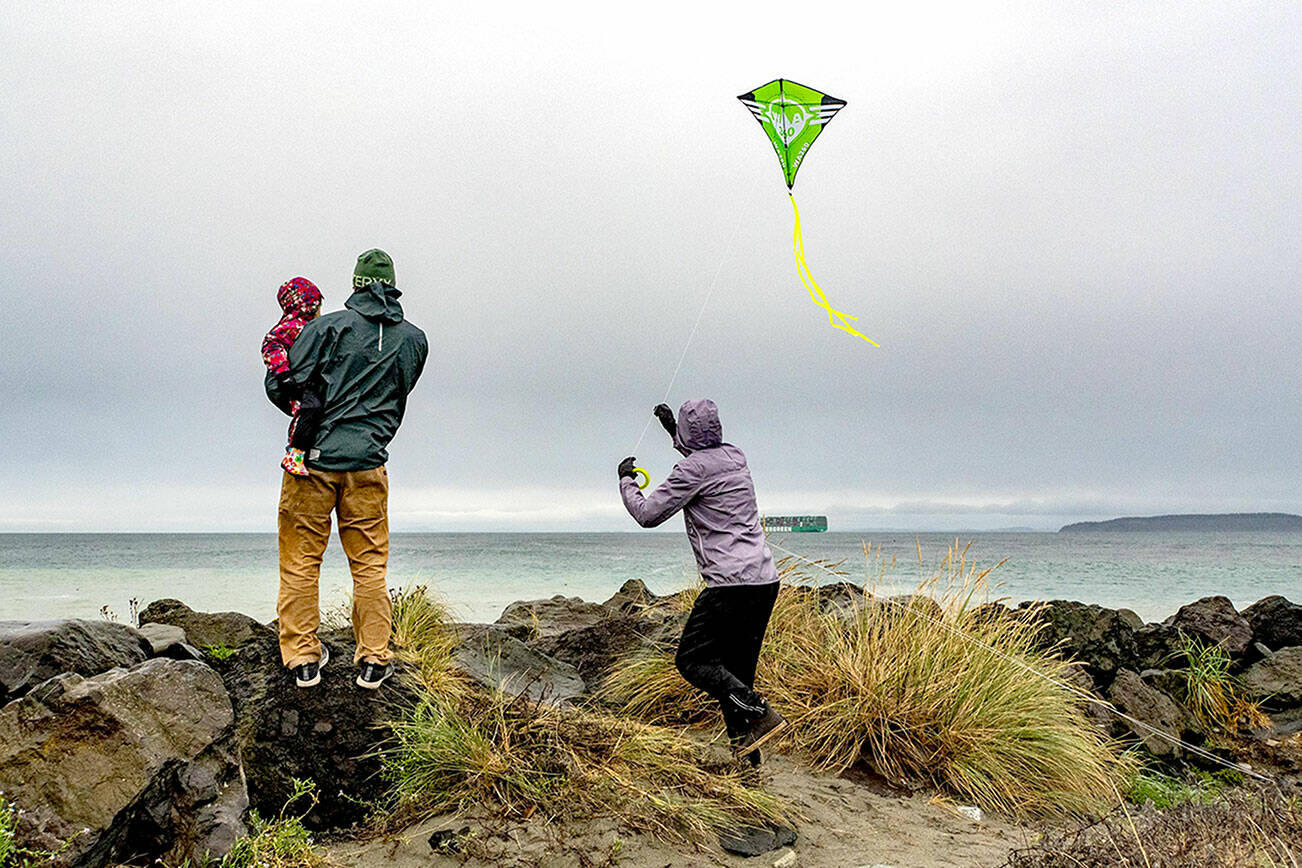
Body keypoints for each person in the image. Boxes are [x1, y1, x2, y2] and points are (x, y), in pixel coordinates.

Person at [265, 249, 428, 690]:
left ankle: (303, 659)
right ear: (392, 286)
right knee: (370, 565)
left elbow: (279, 382)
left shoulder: (326, 328)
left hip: (312, 464)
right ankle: (374, 658)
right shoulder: (415, 340)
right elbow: (399, 393)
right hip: (369, 466)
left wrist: (304, 414)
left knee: (301, 562)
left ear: (355, 284)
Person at [618, 399, 787, 764]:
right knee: (734, 677)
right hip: (764, 582)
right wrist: (671, 431)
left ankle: (760, 713)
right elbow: (703, 452)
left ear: (688, 433)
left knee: (692, 661)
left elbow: (648, 515)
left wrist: (626, 481)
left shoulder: (691, 471)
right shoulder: (735, 456)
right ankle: (747, 766)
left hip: (729, 586)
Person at [261, 277, 326, 477]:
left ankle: (297, 453)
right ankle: (295, 454)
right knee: (307, 410)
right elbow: (271, 345)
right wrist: (284, 374)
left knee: (309, 411)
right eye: (317, 306)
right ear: (308, 306)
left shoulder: (304, 326)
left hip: (299, 381)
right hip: (293, 383)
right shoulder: (293, 326)